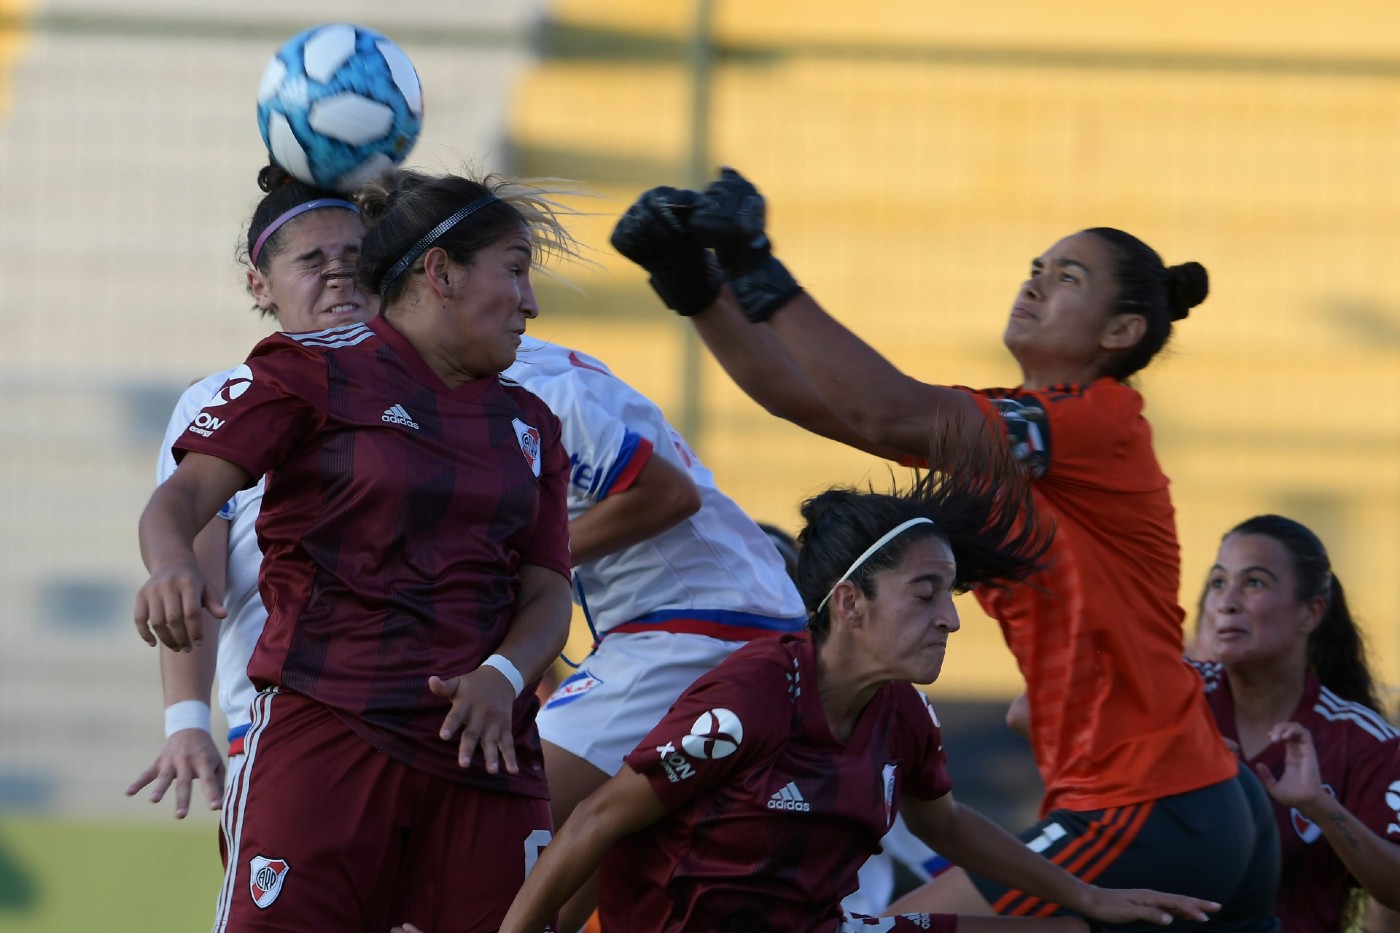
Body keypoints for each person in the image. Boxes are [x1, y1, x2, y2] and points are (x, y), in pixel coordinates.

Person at [607, 171, 1280, 928]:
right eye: (1036, 267)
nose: (1036, 282)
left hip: (1145, 799)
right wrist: (693, 284)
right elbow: (813, 399)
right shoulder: (1021, 429)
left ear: (1120, 334)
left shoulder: (1098, 418)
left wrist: (759, 264)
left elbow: (886, 412)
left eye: (1068, 278)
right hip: (1187, 795)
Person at [497, 434, 1222, 933]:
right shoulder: (748, 701)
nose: (950, 620)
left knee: (1073, 931)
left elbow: (947, 824)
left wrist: (1090, 896)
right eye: (927, 593)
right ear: (849, 603)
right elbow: (597, 823)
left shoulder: (901, 712)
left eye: (950, 596)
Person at [133, 166, 580, 933]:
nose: (530, 304)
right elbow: (180, 498)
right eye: (514, 272)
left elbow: (547, 592)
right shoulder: (310, 371)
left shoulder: (532, 422)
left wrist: (504, 675)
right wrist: (171, 563)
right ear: (439, 272)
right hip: (328, 737)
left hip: (481, 759)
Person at [501, 334, 810, 931]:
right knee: (561, 875)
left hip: (697, 632)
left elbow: (667, 493)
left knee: (488, 814)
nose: (527, 298)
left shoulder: (533, 391)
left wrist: (520, 567)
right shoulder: (531, 368)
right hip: (714, 624)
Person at [126, 162, 379, 824]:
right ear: (259, 286)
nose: (339, 274)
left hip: (422, 737)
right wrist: (186, 721)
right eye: (313, 259)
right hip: (284, 733)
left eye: (357, 257)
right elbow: (195, 571)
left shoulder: (442, 393)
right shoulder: (223, 401)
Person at [1191, 515, 1400, 932]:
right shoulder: (1173, 700)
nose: (1227, 601)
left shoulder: (1363, 740)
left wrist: (1319, 807)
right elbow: (1031, 714)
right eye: (1218, 582)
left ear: (1311, 613)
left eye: (1254, 583)